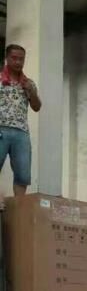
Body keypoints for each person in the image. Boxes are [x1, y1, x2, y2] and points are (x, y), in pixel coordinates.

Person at [0, 44, 42, 198]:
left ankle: (19, 205)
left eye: (21, 59)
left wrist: (32, 92)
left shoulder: (28, 83)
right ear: (7, 58)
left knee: (23, 174)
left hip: (21, 132)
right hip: (1, 128)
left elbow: (37, 107)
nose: (18, 62)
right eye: (14, 58)